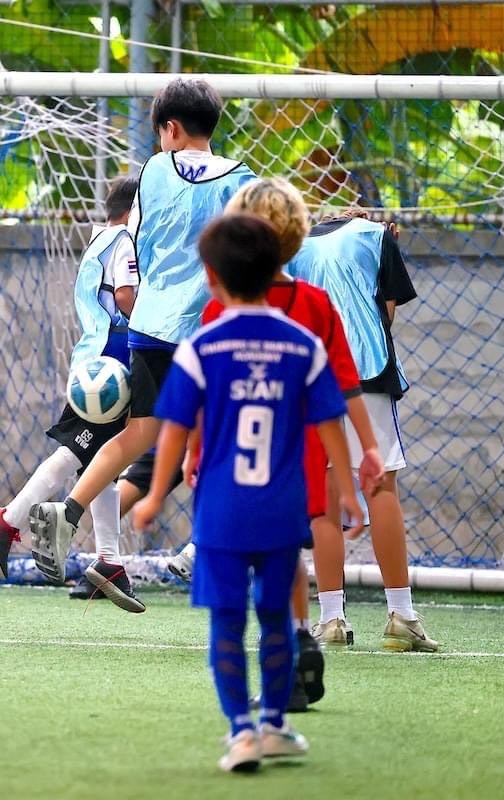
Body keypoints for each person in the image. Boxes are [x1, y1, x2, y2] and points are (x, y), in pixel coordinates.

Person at [132, 213, 364, 772]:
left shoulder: (202, 347)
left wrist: (154, 494)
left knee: (227, 622)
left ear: (210, 277)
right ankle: (276, 727)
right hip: (284, 513)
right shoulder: (302, 346)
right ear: (279, 270)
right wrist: (349, 487)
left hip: (221, 516)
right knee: (278, 621)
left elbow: (175, 430)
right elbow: (330, 419)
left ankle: (241, 732)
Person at [28, 78, 257, 612]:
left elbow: (145, 244)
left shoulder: (154, 171)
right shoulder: (241, 182)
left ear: (170, 130)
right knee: (228, 437)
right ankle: (207, 545)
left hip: (150, 327)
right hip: (205, 331)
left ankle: (66, 513)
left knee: (136, 436)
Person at [166, 178, 386, 707]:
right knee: (285, 551)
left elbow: (200, 393)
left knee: (261, 559)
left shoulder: (218, 310)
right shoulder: (314, 303)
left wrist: (195, 450)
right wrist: (369, 445)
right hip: (299, 452)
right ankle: (297, 635)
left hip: (239, 462)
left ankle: (282, 645)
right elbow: (345, 381)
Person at [0, 176, 143, 609]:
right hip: (113, 362)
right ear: (136, 208)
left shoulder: (99, 239)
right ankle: (10, 519)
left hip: (96, 358)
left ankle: (109, 560)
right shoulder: (126, 238)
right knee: (79, 449)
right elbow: (126, 298)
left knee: (105, 459)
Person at [285, 208, 439, 652]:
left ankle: (332, 619)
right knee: (382, 483)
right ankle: (402, 616)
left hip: (311, 378)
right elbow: (385, 315)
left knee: (326, 493)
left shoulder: (297, 243)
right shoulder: (378, 236)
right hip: (365, 375)